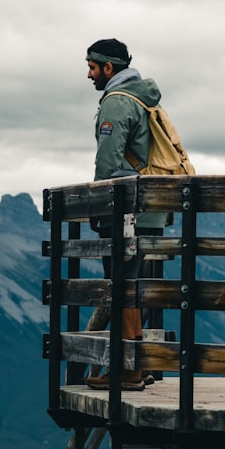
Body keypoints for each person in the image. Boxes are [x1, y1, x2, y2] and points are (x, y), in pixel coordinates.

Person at [83, 38, 168, 391]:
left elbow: (108, 164)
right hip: (149, 210)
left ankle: (127, 368)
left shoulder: (117, 103)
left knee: (120, 290)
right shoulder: (142, 97)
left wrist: (97, 205)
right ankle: (136, 365)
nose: (88, 74)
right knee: (131, 289)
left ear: (108, 67)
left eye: (92, 66)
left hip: (127, 213)